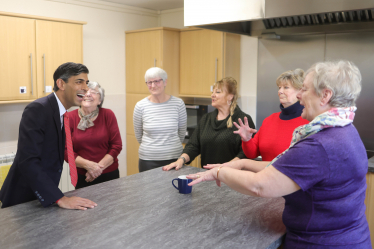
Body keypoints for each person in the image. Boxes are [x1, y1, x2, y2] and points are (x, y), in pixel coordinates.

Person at [187, 61, 371, 248]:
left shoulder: (318, 145)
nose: (299, 95)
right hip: (350, 237)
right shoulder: (344, 129)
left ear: (325, 95)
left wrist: (218, 172)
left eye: (304, 89)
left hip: (321, 243)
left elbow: (259, 186)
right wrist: (242, 164)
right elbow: (285, 167)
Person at [0, 62, 97, 210]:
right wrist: (60, 198)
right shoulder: (38, 109)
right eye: (79, 82)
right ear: (61, 84)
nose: (85, 87)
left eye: (86, 82)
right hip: (23, 200)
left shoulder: (62, 113)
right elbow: (28, 161)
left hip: (45, 198)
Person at [163, 77, 255, 171]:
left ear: (230, 96)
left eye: (218, 92)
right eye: (212, 92)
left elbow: (246, 153)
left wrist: (224, 168)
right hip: (207, 176)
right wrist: (181, 160)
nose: (212, 95)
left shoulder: (243, 120)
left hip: (233, 177)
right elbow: (193, 146)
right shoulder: (206, 119)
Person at [230, 69, 309, 172]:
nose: (280, 91)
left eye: (286, 87)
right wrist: (247, 139)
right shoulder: (269, 120)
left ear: (300, 91)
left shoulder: (309, 122)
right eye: (279, 87)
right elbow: (252, 153)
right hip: (266, 183)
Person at [66, 82, 122, 189]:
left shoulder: (108, 115)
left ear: (100, 100)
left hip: (109, 174)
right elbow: (66, 151)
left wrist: (97, 169)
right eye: (85, 91)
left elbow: (116, 145)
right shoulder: (69, 118)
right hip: (82, 175)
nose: (88, 94)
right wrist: (90, 166)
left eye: (93, 92)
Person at [133, 67, 187, 172]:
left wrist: (168, 148)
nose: (153, 86)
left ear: (165, 82)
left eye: (157, 81)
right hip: (148, 160)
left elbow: (181, 132)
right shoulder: (140, 106)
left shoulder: (178, 104)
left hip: (175, 159)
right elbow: (139, 135)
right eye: (149, 82)